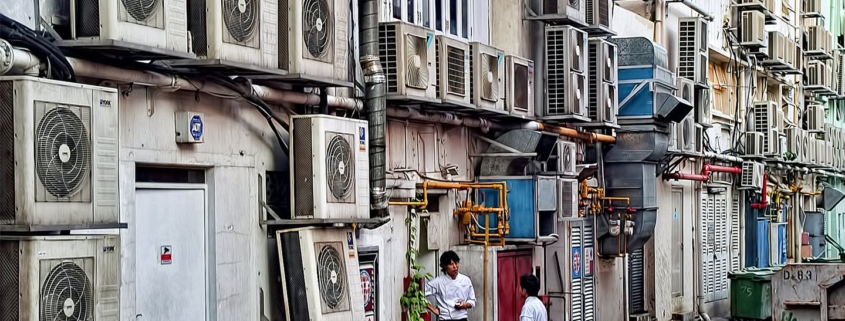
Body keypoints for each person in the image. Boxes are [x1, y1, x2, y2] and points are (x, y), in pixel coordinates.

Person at [425, 251, 477, 321]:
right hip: (445, 318)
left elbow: (472, 301)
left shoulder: (466, 280)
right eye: (451, 264)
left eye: (456, 263)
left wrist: (464, 305)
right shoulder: (438, 281)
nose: (455, 267)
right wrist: (433, 309)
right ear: (445, 266)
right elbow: (420, 293)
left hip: (462, 318)